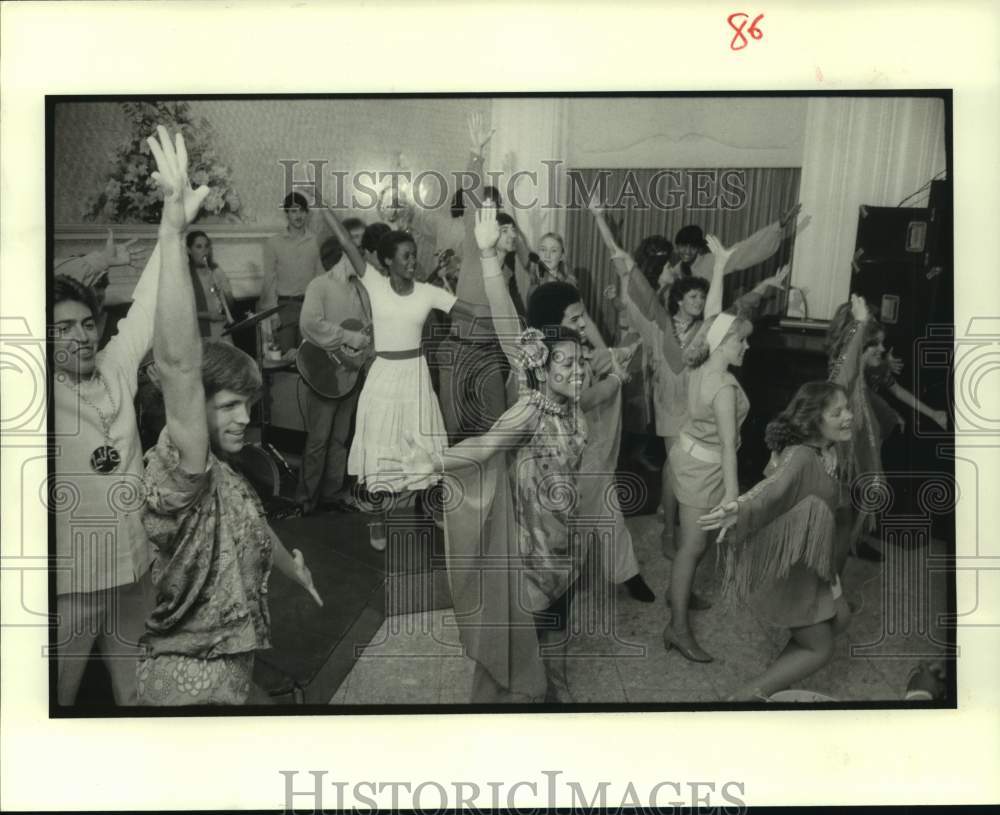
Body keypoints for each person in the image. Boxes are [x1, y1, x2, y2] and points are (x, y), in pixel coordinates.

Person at [136, 125, 321, 706]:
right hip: (188, 687)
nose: (244, 418)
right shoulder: (183, 467)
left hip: (229, 675)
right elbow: (177, 364)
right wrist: (172, 233)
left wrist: (292, 567)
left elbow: (248, 519)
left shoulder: (224, 474)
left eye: (251, 405)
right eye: (230, 405)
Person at [384, 206, 590, 703]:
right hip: (524, 549)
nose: (581, 367)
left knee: (543, 641)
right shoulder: (533, 399)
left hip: (561, 543)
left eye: (581, 358)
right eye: (569, 359)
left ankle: (546, 694)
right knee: (510, 657)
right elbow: (487, 441)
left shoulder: (574, 396)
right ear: (545, 357)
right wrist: (434, 463)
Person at [320, 205, 493, 551]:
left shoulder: (429, 293)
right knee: (382, 450)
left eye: (415, 256)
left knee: (425, 446)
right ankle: (378, 518)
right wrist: (322, 204)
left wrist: (511, 312)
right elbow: (346, 242)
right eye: (405, 257)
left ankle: (433, 507)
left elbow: (472, 311)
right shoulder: (375, 284)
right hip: (384, 376)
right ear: (386, 262)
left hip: (416, 377)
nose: (413, 262)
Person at [51, 242, 161, 706]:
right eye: (64, 328)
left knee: (135, 691)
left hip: (135, 563)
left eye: (88, 323)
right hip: (75, 576)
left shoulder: (115, 368)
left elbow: (149, 307)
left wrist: (172, 225)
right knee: (57, 696)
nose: (82, 336)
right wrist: (97, 261)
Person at [698, 380, 855, 701]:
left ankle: (771, 683)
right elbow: (771, 490)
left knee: (840, 618)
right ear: (814, 420)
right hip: (794, 566)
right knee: (820, 647)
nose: (848, 416)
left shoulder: (828, 449)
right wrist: (738, 508)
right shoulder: (800, 456)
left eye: (847, 408)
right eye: (837, 412)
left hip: (816, 561)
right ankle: (744, 699)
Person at [525, 281, 655, 603]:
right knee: (570, 528)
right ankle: (561, 592)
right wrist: (615, 378)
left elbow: (602, 355)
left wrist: (619, 356)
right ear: (552, 326)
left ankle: (627, 574)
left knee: (610, 514)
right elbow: (588, 398)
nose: (583, 323)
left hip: (587, 453)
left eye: (583, 316)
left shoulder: (570, 349)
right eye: (575, 318)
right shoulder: (547, 362)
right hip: (562, 463)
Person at [296, 233, 372, 514]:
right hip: (324, 373)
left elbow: (366, 329)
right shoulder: (320, 286)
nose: (361, 260)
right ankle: (306, 499)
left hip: (350, 373)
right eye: (355, 254)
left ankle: (332, 493)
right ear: (341, 257)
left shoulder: (361, 291)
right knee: (318, 440)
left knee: (341, 438)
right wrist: (348, 338)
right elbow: (310, 325)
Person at [659, 204, 801, 288]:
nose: (687, 251)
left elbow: (746, 248)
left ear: (699, 248)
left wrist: (779, 226)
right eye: (683, 246)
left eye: (693, 247)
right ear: (677, 247)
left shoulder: (712, 261)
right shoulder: (676, 270)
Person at [259, 192, 326, 353]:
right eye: (293, 211)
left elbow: (321, 278)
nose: (298, 215)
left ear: (307, 214)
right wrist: (272, 313)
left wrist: (322, 310)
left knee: (309, 358)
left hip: (310, 308)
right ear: (286, 214)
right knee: (284, 358)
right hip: (284, 309)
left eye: (302, 211)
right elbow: (269, 280)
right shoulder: (273, 243)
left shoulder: (317, 241)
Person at [186, 230, 235, 340]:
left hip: (222, 330)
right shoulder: (185, 276)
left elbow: (230, 303)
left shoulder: (217, 271)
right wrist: (208, 315)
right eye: (199, 247)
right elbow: (182, 311)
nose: (204, 251)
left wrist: (225, 295)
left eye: (206, 246)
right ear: (189, 250)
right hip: (199, 334)